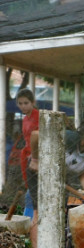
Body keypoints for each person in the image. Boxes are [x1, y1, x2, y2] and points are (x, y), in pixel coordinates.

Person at [26, 120, 84, 244]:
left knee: (60, 211)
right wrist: (35, 160)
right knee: (40, 211)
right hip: (38, 173)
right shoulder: (69, 137)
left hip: (61, 178)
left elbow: (83, 173)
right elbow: (35, 134)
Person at [16, 89, 39, 220]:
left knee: (32, 192)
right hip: (27, 157)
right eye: (20, 103)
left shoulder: (38, 116)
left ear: (33, 102)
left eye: (26, 103)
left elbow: (42, 137)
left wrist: (36, 155)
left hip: (37, 158)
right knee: (30, 189)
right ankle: (28, 219)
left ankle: (29, 220)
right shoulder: (25, 119)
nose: (23, 106)